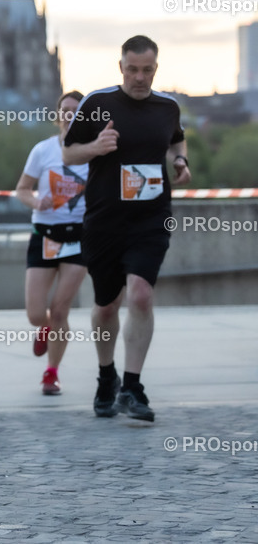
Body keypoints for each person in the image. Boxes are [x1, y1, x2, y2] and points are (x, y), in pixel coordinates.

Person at [63, 35, 190, 422]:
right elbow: (69, 153)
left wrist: (180, 161)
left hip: (151, 218)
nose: (139, 77)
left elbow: (177, 139)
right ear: (121, 67)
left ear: (156, 68)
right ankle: (107, 376)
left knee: (141, 296)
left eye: (147, 70)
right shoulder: (98, 104)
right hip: (104, 221)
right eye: (132, 70)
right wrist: (96, 148)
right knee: (105, 306)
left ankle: (133, 386)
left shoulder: (167, 106)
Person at [15, 91, 89, 395]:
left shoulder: (93, 152)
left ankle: (51, 373)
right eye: (65, 110)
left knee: (60, 311)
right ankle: (44, 328)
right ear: (58, 115)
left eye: (77, 110)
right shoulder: (42, 150)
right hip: (44, 234)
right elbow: (22, 189)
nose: (70, 115)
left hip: (79, 237)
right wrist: (36, 202)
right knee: (36, 314)